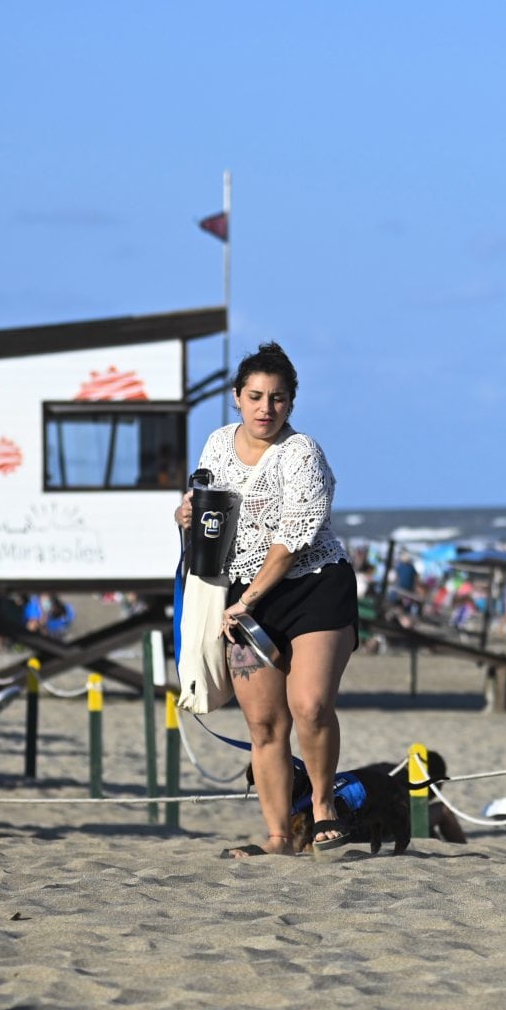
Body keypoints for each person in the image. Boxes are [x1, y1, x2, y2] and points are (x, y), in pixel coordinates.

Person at [176, 342, 358, 857]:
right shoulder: (216, 444)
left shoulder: (303, 454)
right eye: (255, 396)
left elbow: (290, 541)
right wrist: (185, 513)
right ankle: (279, 836)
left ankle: (323, 806)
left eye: (277, 399)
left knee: (311, 705)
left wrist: (247, 601)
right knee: (263, 723)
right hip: (241, 593)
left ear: (291, 403)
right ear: (237, 397)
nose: (265, 409)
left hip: (312, 585)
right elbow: (205, 500)